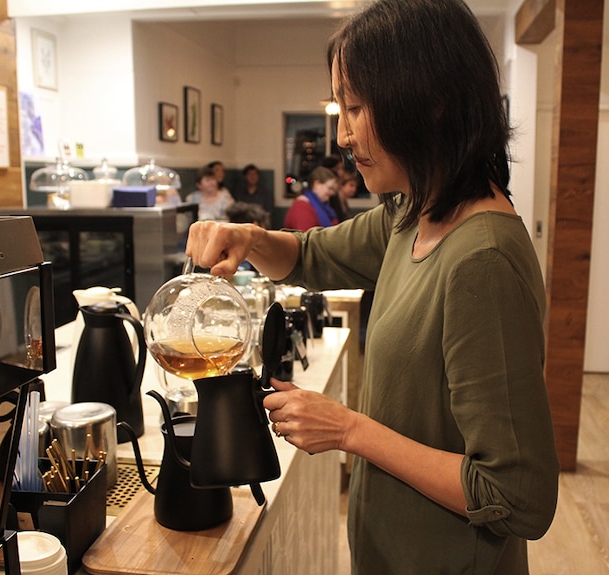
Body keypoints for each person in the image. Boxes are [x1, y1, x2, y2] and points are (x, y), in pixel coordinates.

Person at [184, 0, 559, 573]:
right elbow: (311, 256)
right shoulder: (411, 213)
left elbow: (518, 497)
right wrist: (249, 237)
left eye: (357, 108)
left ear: (429, 103)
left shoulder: (483, 261)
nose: (342, 133)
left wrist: (349, 428)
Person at [283, 166, 339, 230]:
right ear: (317, 184)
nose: (332, 193)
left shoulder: (324, 207)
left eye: (334, 190)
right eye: (330, 188)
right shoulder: (302, 207)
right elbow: (306, 236)